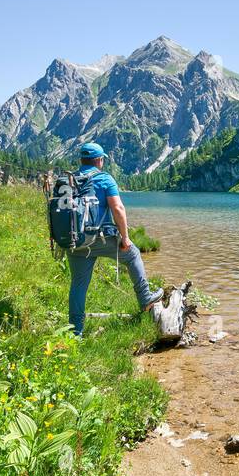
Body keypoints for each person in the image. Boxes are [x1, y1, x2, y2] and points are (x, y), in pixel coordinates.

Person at [66, 142, 160, 336]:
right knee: (133, 254)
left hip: (74, 241)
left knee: (78, 284)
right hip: (98, 239)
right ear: (100, 160)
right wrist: (125, 238)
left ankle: (75, 332)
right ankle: (145, 299)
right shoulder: (104, 178)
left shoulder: (70, 180)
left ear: (82, 160)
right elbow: (117, 208)